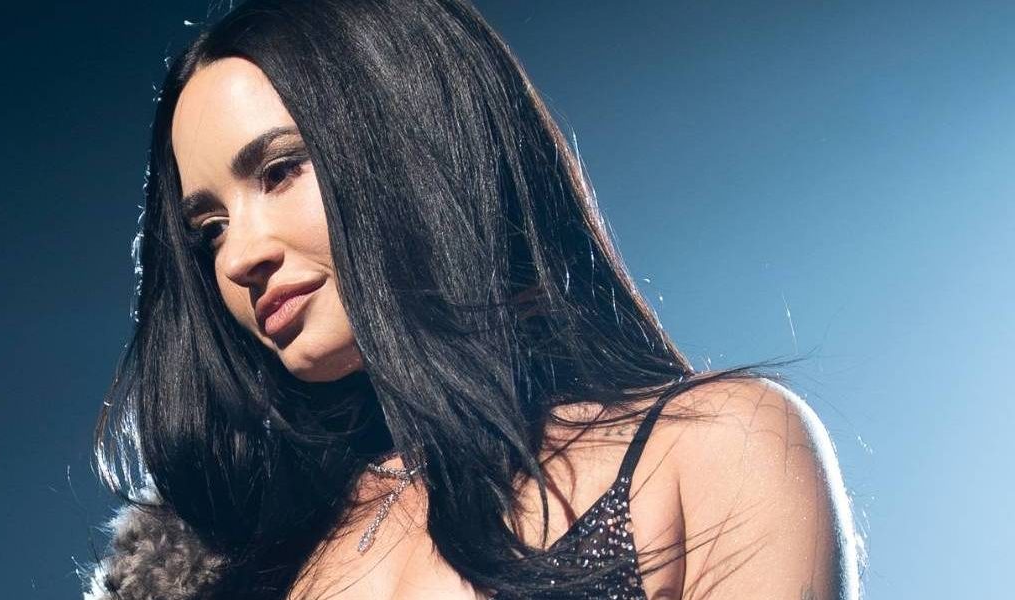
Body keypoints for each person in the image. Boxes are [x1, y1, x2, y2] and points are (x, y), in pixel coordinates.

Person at [81, 0, 862, 598]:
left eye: (281, 170)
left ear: (413, 146)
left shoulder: (718, 448)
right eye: (210, 231)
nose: (239, 256)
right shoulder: (220, 557)